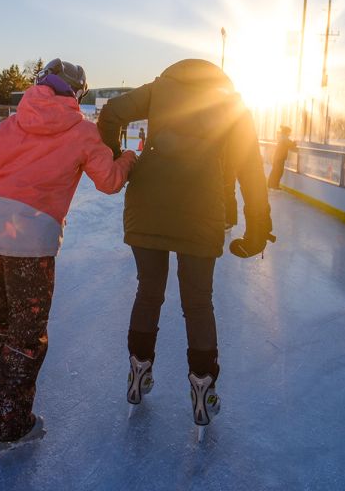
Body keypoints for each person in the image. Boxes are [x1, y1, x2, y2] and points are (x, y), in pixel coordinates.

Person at [0, 58, 137, 444]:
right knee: (26, 336)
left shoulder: (13, 123)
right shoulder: (81, 131)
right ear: (76, 92)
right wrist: (128, 159)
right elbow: (109, 181)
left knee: (1, 323)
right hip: (32, 242)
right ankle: (6, 423)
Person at [97, 58, 272, 429]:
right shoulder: (233, 106)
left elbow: (110, 113)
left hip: (148, 204)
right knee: (197, 302)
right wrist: (257, 226)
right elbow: (251, 171)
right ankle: (203, 390)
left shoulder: (160, 89)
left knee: (148, 291)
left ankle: (138, 372)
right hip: (199, 208)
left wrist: (115, 156)